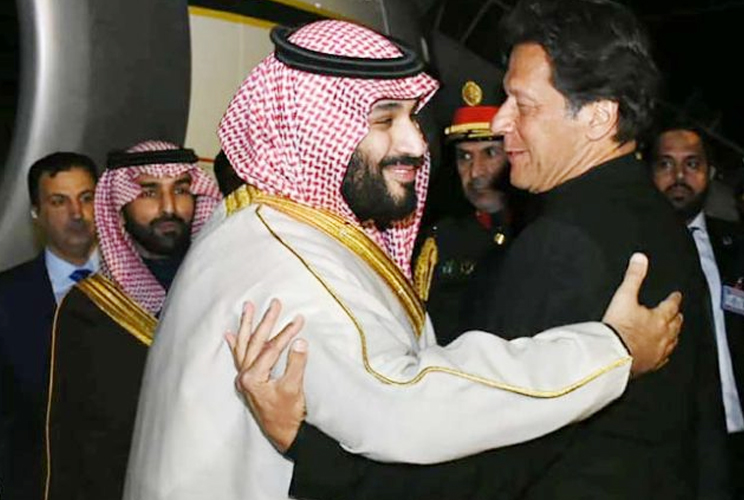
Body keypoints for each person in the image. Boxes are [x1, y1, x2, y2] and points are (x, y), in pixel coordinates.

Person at [124, 20, 682, 500]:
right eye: (384, 120)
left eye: (412, 117)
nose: (416, 144)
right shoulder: (287, 266)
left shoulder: (270, 221)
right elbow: (409, 408)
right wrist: (612, 351)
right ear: (315, 131)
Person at [44, 141, 221, 500]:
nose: (169, 208)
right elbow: (73, 443)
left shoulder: (223, 289)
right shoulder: (91, 308)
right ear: (119, 208)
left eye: (181, 190)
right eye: (149, 192)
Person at [651, 126, 744, 499]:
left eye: (692, 164)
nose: (679, 176)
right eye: (665, 164)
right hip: (665, 453)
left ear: (710, 172)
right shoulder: (627, 252)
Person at [0, 152, 98, 500]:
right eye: (59, 201)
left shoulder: (138, 286)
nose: (77, 213)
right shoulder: (7, 298)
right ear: (36, 213)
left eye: (86, 198)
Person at [414, 80, 523, 342]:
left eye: (490, 153)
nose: (475, 172)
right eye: (464, 157)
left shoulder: (540, 231)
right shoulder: (442, 240)